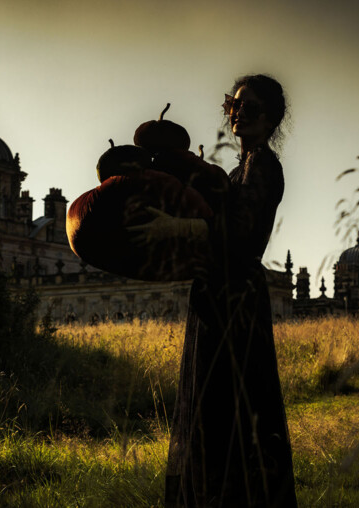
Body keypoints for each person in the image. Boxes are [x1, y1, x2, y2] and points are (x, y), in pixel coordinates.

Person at [133, 74, 297, 507]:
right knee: (211, 411)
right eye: (234, 104)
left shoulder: (264, 165)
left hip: (237, 301)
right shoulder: (235, 170)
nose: (239, 113)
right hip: (216, 296)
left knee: (232, 414)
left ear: (272, 119)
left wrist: (180, 226)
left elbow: (239, 237)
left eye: (251, 108)